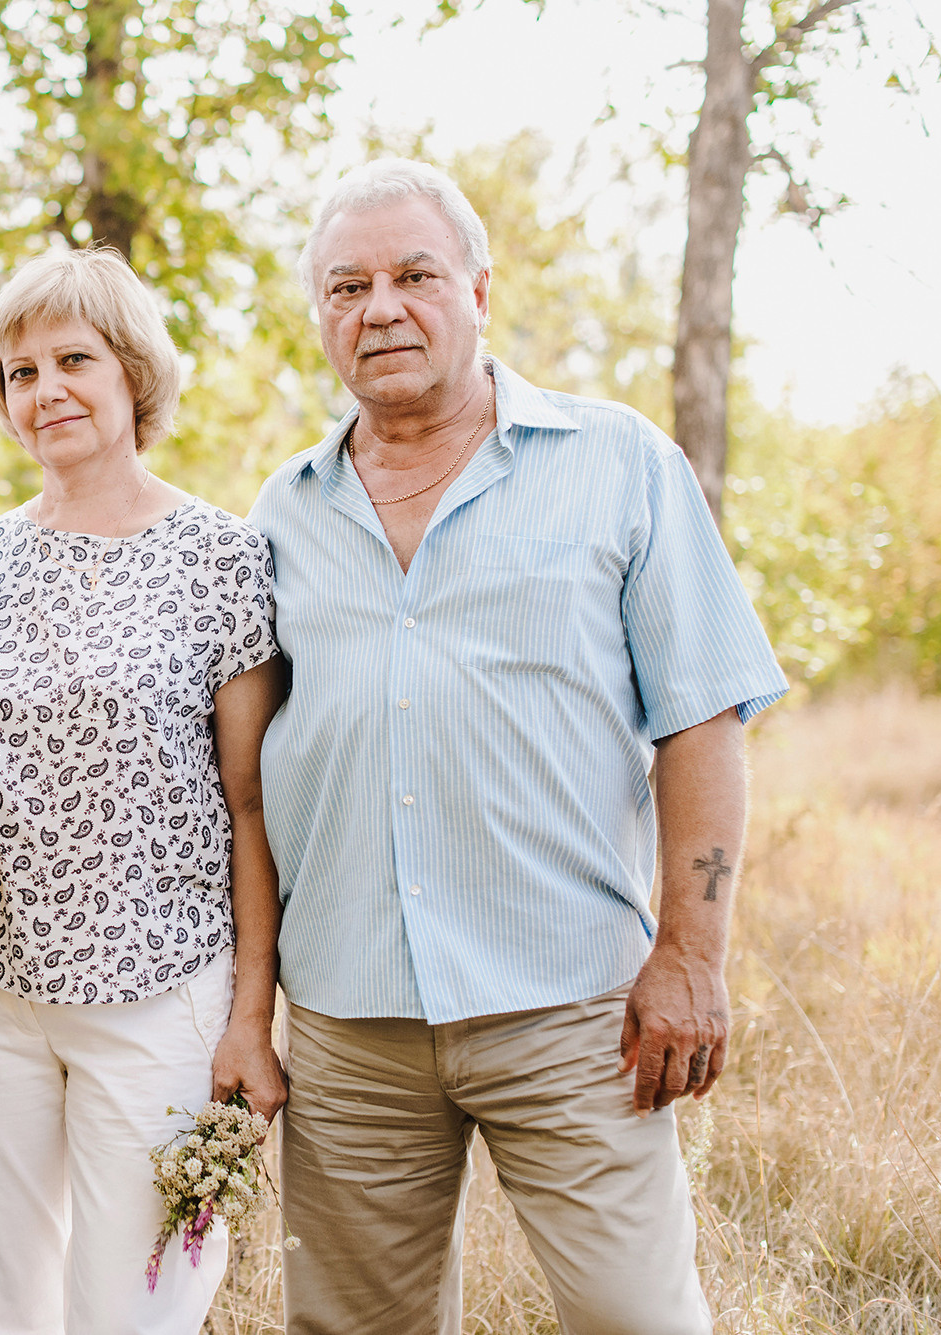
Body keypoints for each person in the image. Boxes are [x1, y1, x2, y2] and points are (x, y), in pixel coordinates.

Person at [249, 157, 791, 1334]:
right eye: (345, 287)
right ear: (320, 315)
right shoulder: (281, 512)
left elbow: (701, 717)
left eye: (413, 276)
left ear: (479, 292)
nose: (379, 309)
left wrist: (691, 955)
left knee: (637, 1318)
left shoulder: (617, 463)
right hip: (348, 1019)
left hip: (574, 1006)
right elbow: (243, 776)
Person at [0, 247, 289, 1334]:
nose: (46, 391)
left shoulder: (222, 555)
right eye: (19, 372)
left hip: (159, 984)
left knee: (138, 1302)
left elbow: (251, 805)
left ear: (133, 369)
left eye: (72, 360)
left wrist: (251, 1014)